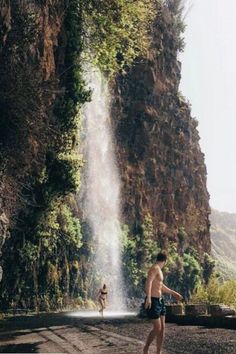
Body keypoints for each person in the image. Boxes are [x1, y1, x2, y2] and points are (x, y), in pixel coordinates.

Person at [143, 251, 183, 354]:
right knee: (157, 328)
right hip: (153, 301)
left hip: (160, 301)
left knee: (162, 328)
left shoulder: (159, 270)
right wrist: (148, 298)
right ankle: (146, 348)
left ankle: (158, 352)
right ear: (165, 261)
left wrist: (174, 293)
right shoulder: (154, 268)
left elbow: (161, 286)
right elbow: (149, 282)